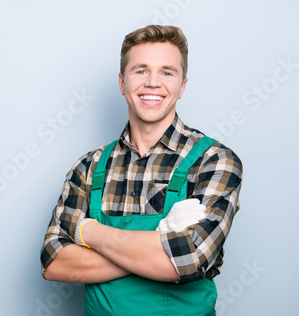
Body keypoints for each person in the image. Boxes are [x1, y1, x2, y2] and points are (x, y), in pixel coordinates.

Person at [40, 24, 243, 315]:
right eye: (141, 70)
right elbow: (54, 262)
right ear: (122, 83)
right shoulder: (88, 167)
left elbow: (188, 259)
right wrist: (159, 243)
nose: (152, 83)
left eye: (167, 72)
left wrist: (89, 232)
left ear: (182, 86)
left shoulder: (215, 161)